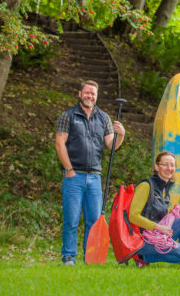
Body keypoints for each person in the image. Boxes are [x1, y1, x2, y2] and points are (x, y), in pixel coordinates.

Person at [55, 80, 126, 266]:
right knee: (71, 219)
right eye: (87, 93)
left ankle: (90, 257)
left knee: (93, 221)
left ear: (96, 96)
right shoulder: (68, 115)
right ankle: (69, 256)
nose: (90, 96)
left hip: (95, 177)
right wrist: (68, 169)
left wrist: (122, 135)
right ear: (80, 94)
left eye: (93, 93)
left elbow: (112, 146)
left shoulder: (103, 118)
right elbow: (59, 142)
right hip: (74, 175)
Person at [128, 152, 180, 266]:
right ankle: (143, 257)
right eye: (165, 164)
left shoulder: (164, 189)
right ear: (156, 167)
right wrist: (158, 227)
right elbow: (133, 216)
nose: (169, 168)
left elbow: (161, 219)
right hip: (143, 239)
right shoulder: (146, 186)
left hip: (158, 235)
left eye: (172, 165)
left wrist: (177, 215)